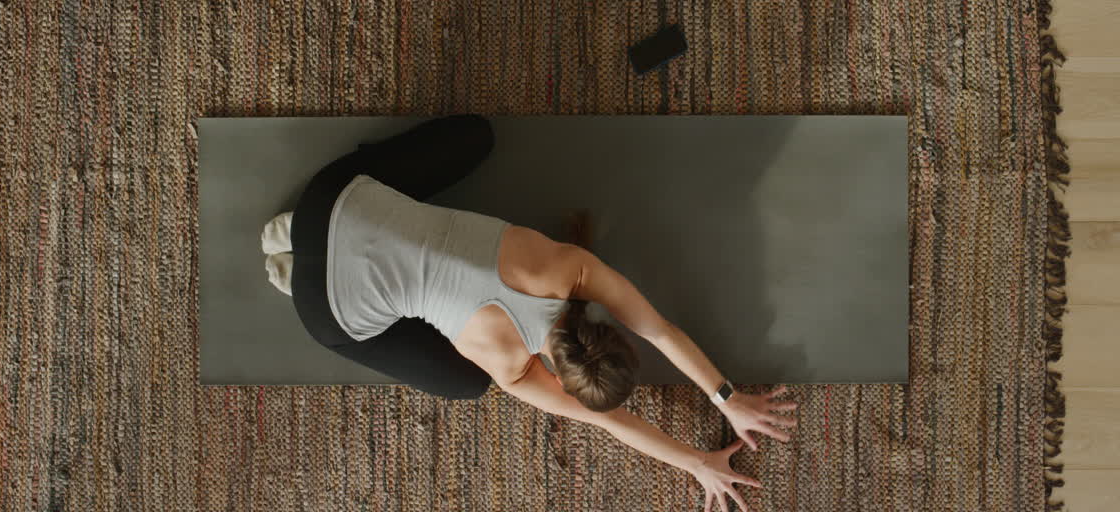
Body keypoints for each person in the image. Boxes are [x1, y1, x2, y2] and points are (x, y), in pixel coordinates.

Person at [276, 114, 798, 512]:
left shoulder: (568, 268)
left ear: (614, 336)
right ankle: (288, 269)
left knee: (476, 136)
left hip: (329, 200)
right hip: (322, 305)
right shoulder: (514, 370)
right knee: (465, 383)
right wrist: (698, 462)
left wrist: (727, 398)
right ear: (563, 380)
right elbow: (611, 423)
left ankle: (294, 232)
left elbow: (661, 330)